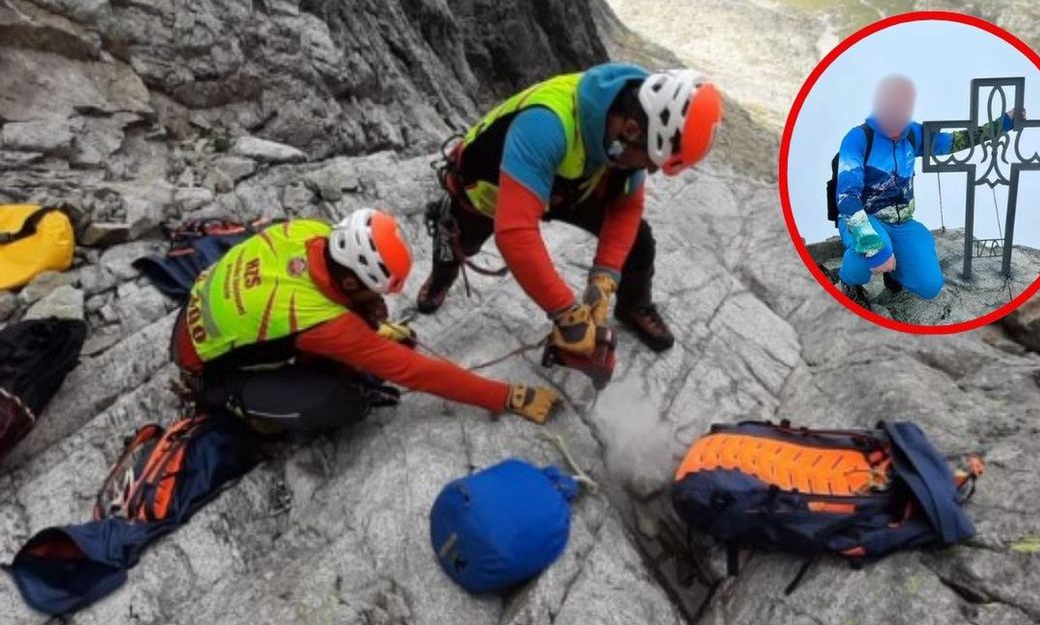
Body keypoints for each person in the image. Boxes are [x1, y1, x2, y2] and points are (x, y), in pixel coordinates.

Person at [418, 63, 722, 359]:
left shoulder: (632, 116)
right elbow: (514, 235)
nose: (650, 171)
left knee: (638, 242)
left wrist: (605, 277)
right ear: (630, 130)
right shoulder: (546, 125)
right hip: (489, 187)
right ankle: (441, 278)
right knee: (459, 240)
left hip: (566, 187)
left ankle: (632, 305)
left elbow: (627, 206)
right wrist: (567, 313)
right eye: (651, 161)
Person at [171, 208, 560, 435]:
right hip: (204, 363)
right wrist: (506, 397)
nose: (379, 301)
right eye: (372, 290)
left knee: (347, 335)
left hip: (203, 307)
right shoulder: (318, 321)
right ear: (350, 279)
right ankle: (246, 409)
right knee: (345, 403)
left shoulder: (313, 230)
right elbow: (417, 372)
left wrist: (367, 319)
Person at [834, 75, 1018, 308]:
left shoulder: (913, 134)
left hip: (902, 223)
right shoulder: (858, 138)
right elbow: (846, 196)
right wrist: (876, 251)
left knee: (930, 286)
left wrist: (1004, 124)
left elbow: (956, 142)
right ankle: (848, 279)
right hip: (860, 219)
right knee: (874, 250)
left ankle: (895, 268)